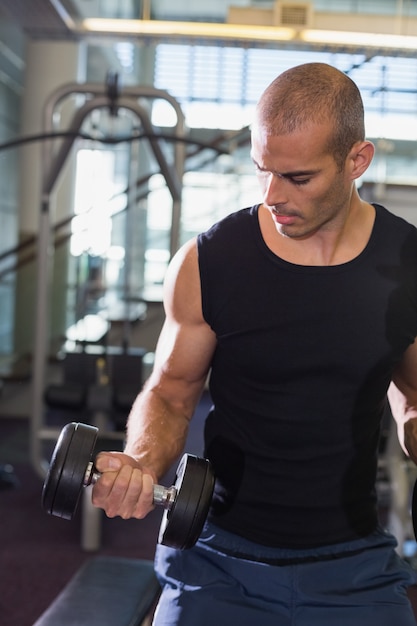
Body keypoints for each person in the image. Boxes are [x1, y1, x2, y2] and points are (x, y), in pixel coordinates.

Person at [92, 62, 417, 625]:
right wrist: (141, 462)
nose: (272, 195)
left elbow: (412, 394)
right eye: (262, 170)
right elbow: (171, 391)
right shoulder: (212, 260)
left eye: (298, 178)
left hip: (354, 564)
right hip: (216, 554)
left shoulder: (408, 264)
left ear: (356, 161)